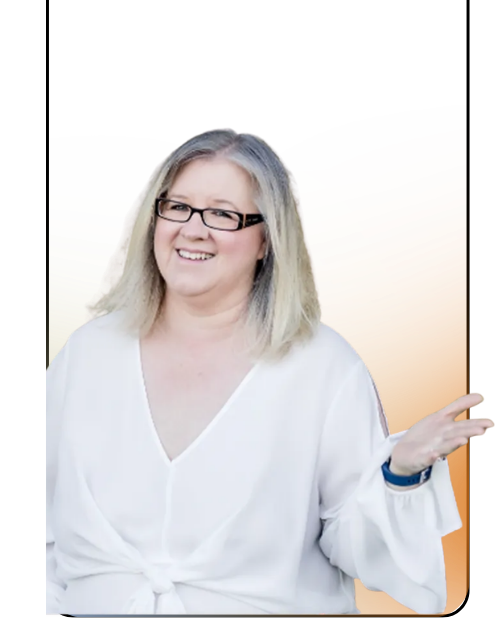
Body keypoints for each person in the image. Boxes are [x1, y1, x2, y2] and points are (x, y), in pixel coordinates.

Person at [46, 128, 489, 616]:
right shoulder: (88, 354)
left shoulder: (323, 366)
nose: (193, 229)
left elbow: (357, 547)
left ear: (267, 241)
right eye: (178, 207)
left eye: (222, 214)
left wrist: (400, 473)